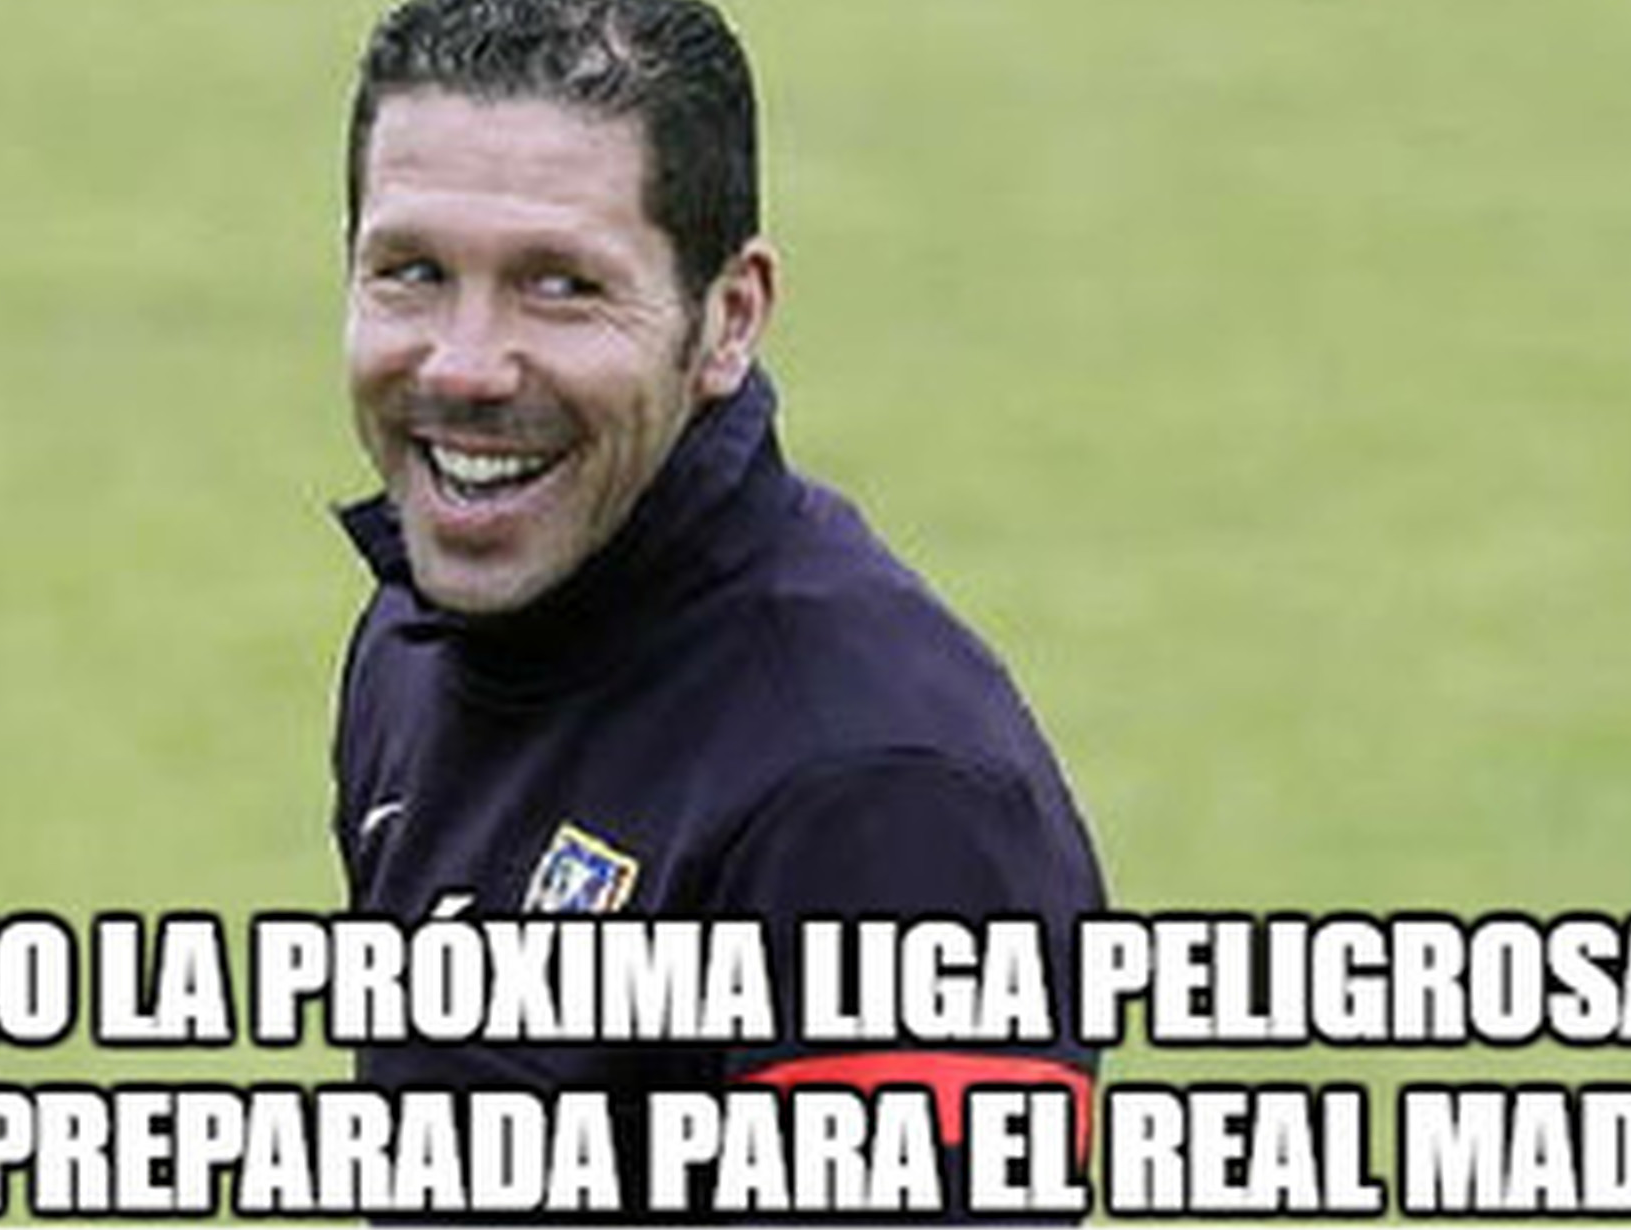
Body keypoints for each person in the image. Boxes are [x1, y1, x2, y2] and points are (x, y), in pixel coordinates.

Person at [326, 0, 1108, 1214]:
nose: (464, 364)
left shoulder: (880, 800)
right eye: (413, 274)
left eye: (561, 286)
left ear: (728, 317)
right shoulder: (423, 644)